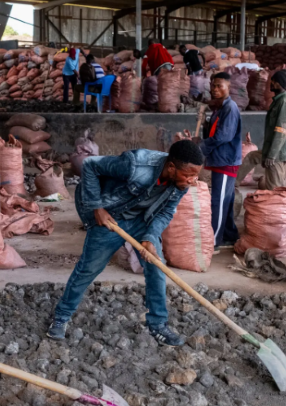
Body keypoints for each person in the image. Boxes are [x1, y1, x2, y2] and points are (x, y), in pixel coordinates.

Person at [46, 141, 205, 346]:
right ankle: (61, 316)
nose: (193, 180)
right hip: (109, 216)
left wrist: (150, 237)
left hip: (142, 219)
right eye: (189, 175)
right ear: (172, 167)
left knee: (156, 265)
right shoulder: (137, 164)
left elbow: (165, 212)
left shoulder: (182, 182)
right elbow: (90, 165)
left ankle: (158, 324)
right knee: (89, 268)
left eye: (195, 175)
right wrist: (97, 207)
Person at [196, 72, 241, 251]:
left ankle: (214, 241)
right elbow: (214, 131)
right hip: (220, 159)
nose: (215, 90)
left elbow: (224, 136)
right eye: (213, 86)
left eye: (219, 86)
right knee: (227, 200)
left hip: (226, 160)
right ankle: (230, 235)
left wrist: (201, 145)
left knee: (219, 201)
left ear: (228, 88)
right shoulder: (219, 109)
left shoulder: (230, 108)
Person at [237, 70, 286, 190]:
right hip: (271, 151)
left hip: (278, 155)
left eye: (273, 82)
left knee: (274, 189)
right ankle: (233, 183)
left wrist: (271, 156)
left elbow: (282, 132)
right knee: (252, 156)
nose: (270, 84)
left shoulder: (284, 102)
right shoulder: (278, 101)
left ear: (279, 84)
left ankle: (279, 206)